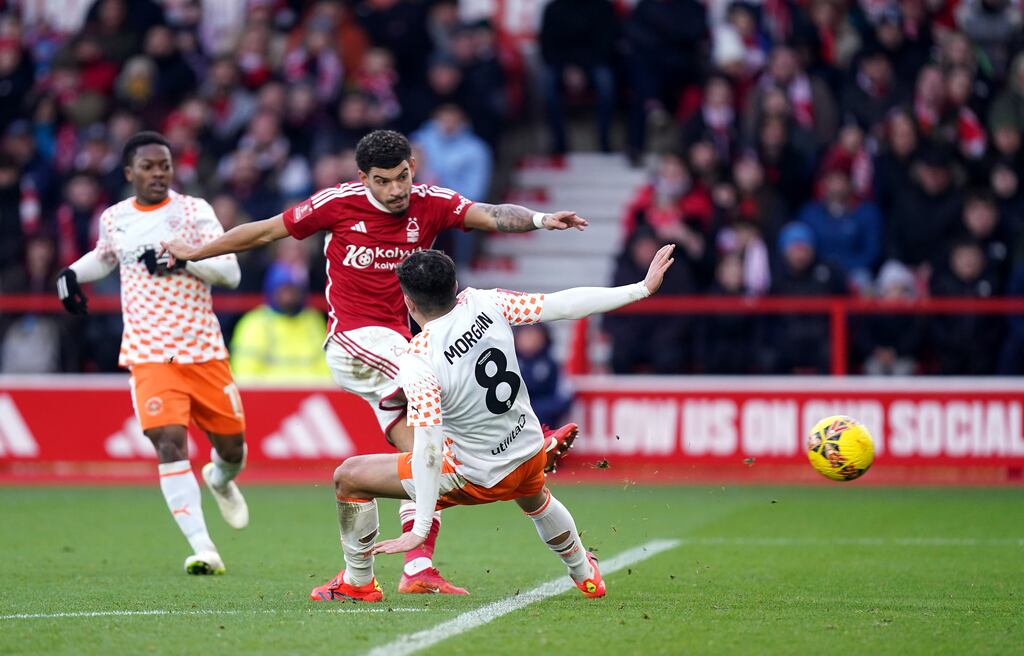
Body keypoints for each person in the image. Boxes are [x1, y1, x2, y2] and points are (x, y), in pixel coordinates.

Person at [162, 129, 584, 595]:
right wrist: (195, 253)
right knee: (437, 366)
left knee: (420, 460)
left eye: (402, 176)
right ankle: (523, 443)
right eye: (383, 181)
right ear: (363, 178)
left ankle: (404, 572)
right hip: (353, 342)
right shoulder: (336, 204)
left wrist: (542, 219)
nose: (396, 189)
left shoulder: (432, 202)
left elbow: (492, 214)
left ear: (412, 167)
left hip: (397, 345)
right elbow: (264, 231)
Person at [308, 245, 676, 602]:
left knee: (349, 476)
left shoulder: (418, 358)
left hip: (476, 476)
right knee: (535, 498)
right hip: (527, 450)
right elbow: (562, 304)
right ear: (454, 286)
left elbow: (429, 449)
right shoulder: (486, 302)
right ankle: (584, 571)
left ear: (408, 302)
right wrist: (640, 289)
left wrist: (419, 528)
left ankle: (358, 583)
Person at [54, 131, 248, 575]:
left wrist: (186, 259)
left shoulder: (194, 212)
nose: (158, 173)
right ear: (130, 173)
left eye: (164, 165)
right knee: (168, 441)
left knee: (232, 448)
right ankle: (204, 548)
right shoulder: (115, 218)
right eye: (148, 166)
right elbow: (106, 257)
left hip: (202, 350)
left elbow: (231, 273)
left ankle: (220, 478)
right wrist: (71, 273)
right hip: (149, 352)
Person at [230, 262, 332, 383]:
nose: (289, 296)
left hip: (312, 392)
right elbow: (244, 373)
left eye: (294, 290)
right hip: (267, 392)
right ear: (272, 289)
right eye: (284, 290)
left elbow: (327, 369)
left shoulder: (314, 320)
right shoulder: (254, 323)